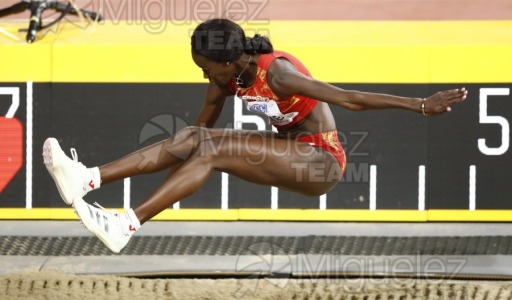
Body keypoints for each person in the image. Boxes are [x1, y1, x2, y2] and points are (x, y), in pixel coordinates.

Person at [42, 18, 467, 253]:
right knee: (196, 138)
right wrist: (178, 182)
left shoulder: (277, 72)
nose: (203, 74)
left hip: (321, 162)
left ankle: (125, 225)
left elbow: (348, 98)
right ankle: (88, 178)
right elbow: (194, 139)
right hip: (287, 150)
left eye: (206, 68)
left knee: (208, 147)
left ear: (230, 60)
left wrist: (420, 105)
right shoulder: (227, 79)